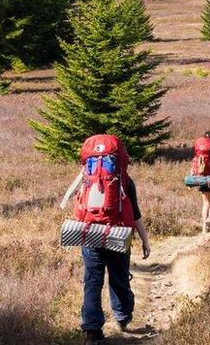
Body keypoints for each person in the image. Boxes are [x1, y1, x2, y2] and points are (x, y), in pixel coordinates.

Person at [75, 135, 151, 344]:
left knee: (92, 281)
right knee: (118, 277)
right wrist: (145, 240)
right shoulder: (125, 180)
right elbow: (135, 213)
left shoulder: (86, 176)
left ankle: (92, 330)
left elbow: (78, 205)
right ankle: (122, 317)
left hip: (90, 233)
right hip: (118, 234)